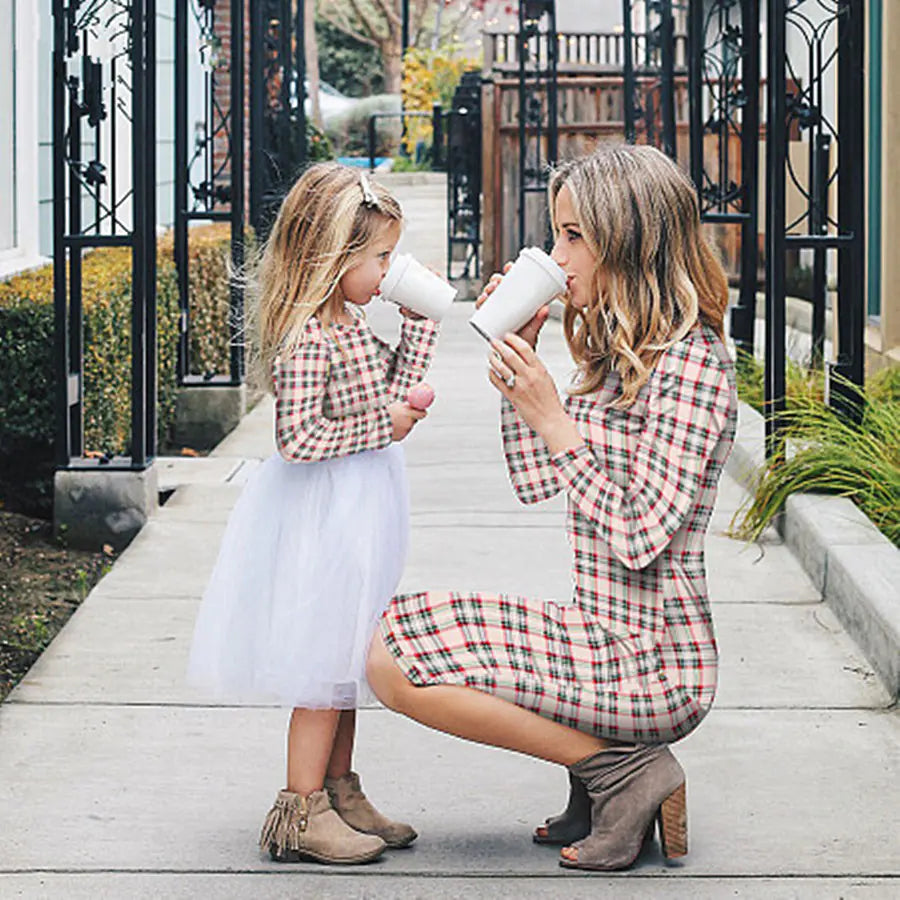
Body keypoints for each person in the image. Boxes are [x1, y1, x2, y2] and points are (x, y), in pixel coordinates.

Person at [367, 143, 738, 871]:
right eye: (557, 234)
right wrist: (522, 373)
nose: (557, 255)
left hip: (653, 661)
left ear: (628, 243)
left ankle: (624, 772)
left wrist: (555, 421)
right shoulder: (616, 348)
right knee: (388, 633)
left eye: (574, 237)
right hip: (598, 633)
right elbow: (538, 482)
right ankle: (601, 771)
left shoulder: (693, 366)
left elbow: (638, 538)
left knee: (396, 666)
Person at [187, 163, 440, 865]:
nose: (390, 270)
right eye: (381, 257)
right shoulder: (309, 338)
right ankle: (299, 811)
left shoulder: (352, 322)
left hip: (361, 507)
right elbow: (297, 441)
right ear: (333, 258)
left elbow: (392, 387)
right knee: (320, 664)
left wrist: (417, 326)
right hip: (325, 513)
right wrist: (382, 427)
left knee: (347, 659)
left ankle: (341, 790)